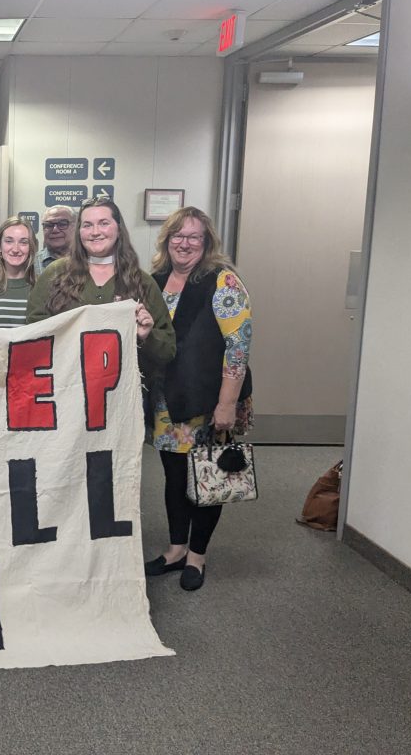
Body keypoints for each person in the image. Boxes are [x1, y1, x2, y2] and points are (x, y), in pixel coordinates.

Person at [144, 207, 253, 592]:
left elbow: (238, 346)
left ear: (206, 243)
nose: (184, 243)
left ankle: (197, 556)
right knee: (174, 479)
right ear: (167, 239)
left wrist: (227, 403)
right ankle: (176, 549)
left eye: (194, 237)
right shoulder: (155, 280)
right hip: (166, 402)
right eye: (178, 235)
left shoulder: (221, 281)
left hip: (209, 400)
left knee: (206, 477)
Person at [25, 196, 175, 376]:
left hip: (123, 393)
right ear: (79, 232)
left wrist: (146, 336)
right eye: (87, 225)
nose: (95, 232)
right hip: (66, 388)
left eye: (103, 223)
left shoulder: (141, 281)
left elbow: (168, 350)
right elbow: (32, 333)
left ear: (118, 229)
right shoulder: (55, 274)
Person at [36, 205, 75, 273]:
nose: (55, 230)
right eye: (49, 225)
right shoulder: (30, 265)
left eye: (62, 224)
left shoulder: (89, 261)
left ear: (75, 227)